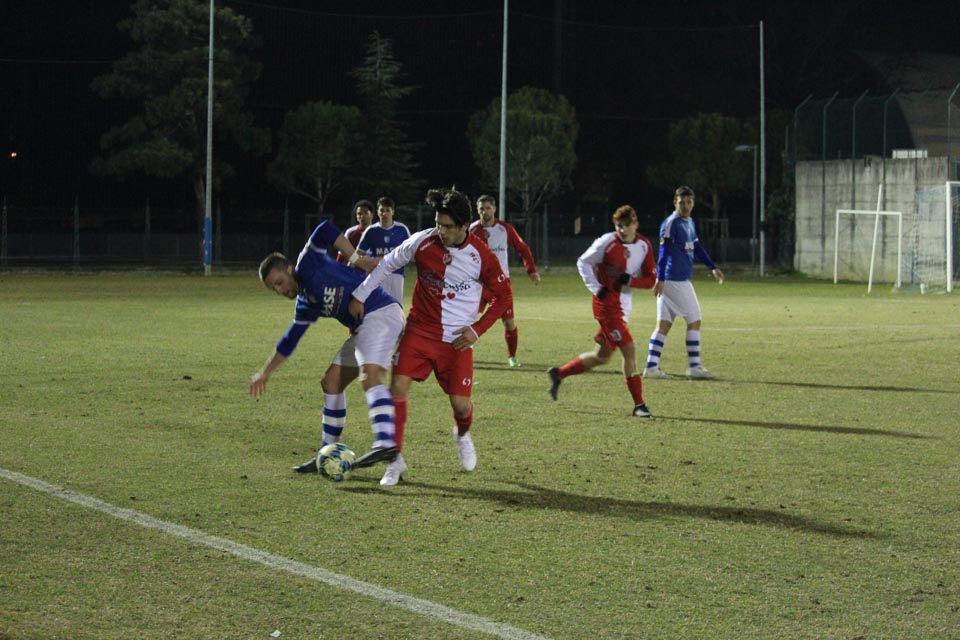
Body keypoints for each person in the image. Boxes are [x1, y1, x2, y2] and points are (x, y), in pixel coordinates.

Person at [349, 187, 513, 485]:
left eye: (447, 226)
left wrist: (476, 330)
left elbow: (504, 297)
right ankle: (395, 460)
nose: (441, 231)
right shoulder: (422, 241)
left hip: (456, 340)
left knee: (460, 405)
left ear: (464, 226)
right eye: (438, 223)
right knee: (398, 388)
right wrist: (360, 294)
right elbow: (388, 264)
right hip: (420, 330)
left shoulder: (481, 255)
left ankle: (462, 432)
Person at [250, 220, 407, 481]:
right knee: (331, 382)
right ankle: (327, 453)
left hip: (382, 311)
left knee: (370, 375)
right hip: (365, 326)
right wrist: (265, 373)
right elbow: (290, 340)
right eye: (274, 289)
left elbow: (324, 229)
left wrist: (357, 259)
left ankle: (385, 442)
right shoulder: (305, 303)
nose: (280, 290)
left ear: (289, 269)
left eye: (279, 282)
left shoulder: (307, 263)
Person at [547, 205, 657, 417]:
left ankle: (559, 373)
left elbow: (651, 279)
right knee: (629, 349)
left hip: (623, 308)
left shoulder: (644, 246)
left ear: (636, 225)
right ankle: (639, 405)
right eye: (619, 226)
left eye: (627, 225)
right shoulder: (606, 242)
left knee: (602, 356)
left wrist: (631, 281)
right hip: (606, 306)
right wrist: (597, 288)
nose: (622, 230)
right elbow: (583, 262)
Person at [643, 185, 725, 379]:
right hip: (674, 280)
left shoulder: (689, 222)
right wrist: (660, 278)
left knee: (663, 325)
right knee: (695, 321)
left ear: (693, 203)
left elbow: (697, 247)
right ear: (675, 203)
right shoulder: (671, 223)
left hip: (674, 281)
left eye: (689, 202)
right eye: (682, 202)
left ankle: (651, 367)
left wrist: (712, 267)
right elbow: (663, 253)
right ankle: (694, 367)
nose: (686, 206)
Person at [469, 194, 540, 367]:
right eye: (481, 209)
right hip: (478, 283)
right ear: (477, 211)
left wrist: (531, 270)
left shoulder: (505, 229)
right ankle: (463, 352)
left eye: (488, 208)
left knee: (509, 323)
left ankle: (512, 357)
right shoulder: (472, 230)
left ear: (494, 208)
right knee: (467, 318)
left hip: (501, 283)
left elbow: (523, 249)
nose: (485, 212)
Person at [356, 196, 412, 303]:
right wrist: (362, 262)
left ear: (393, 212)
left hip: (397, 274)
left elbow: (412, 251)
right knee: (377, 307)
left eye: (387, 210)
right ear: (377, 212)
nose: (384, 213)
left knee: (396, 306)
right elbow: (357, 253)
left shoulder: (402, 230)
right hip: (377, 275)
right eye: (382, 210)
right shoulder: (371, 231)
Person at [336, 200, 374, 264]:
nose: (362, 216)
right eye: (359, 214)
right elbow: (341, 254)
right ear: (356, 216)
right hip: (353, 268)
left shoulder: (378, 232)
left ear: (372, 215)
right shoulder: (350, 232)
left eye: (366, 213)